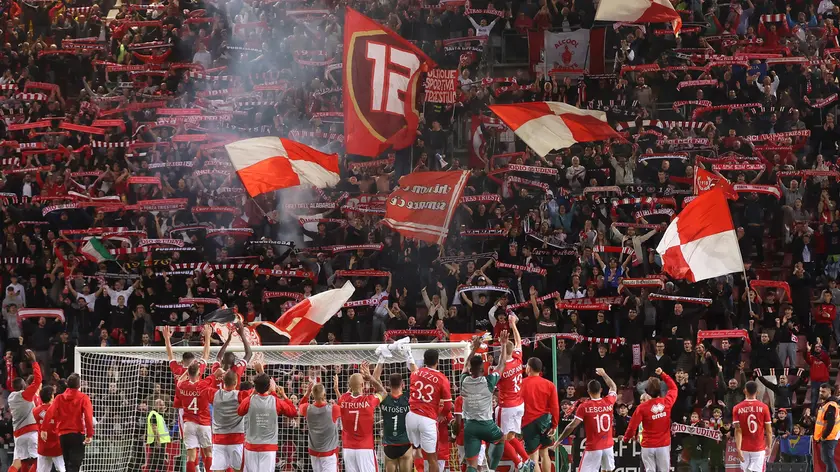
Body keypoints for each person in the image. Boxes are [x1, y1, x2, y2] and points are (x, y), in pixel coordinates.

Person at [236, 364, 298, 471]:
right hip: (268, 448)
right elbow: (293, 412)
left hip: (252, 446)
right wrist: (284, 395)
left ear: (255, 387)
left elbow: (240, 411)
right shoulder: (276, 401)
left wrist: (253, 393)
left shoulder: (250, 400)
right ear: (269, 386)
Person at [461, 333, 507, 472]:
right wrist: (503, 344)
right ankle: (492, 469)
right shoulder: (489, 382)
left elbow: (465, 364)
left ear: (470, 370)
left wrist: (474, 349)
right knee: (501, 439)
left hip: (469, 426)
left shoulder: (464, 380)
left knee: (472, 465)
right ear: (482, 369)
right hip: (486, 424)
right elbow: (502, 364)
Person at [557, 368, 618, 472]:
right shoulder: (609, 402)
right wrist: (604, 374)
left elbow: (572, 425)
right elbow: (613, 387)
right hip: (608, 446)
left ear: (588, 391)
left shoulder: (585, 406)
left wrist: (559, 440)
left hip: (593, 448)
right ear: (601, 390)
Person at [174, 336, 220, 472]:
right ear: (199, 372)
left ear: (188, 373)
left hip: (189, 424)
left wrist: (186, 373)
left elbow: (179, 383)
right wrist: (207, 337)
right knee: (208, 452)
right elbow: (209, 362)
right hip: (204, 423)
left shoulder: (182, 386)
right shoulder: (204, 384)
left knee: (191, 455)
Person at [622, 368, 678, 472]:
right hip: (663, 446)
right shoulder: (667, 402)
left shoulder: (642, 408)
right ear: (660, 390)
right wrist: (663, 374)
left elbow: (632, 427)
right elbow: (674, 388)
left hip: (648, 446)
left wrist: (626, 439)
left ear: (647, 392)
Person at [494, 316, 532, 470]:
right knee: (511, 436)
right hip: (519, 405)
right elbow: (518, 341)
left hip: (507, 406)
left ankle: (519, 464)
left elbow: (494, 378)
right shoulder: (518, 358)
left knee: (501, 438)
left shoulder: (502, 369)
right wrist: (513, 325)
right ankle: (526, 459)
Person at [406, 349, 453, 472]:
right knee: (432, 458)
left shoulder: (415, 373)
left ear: (424, 360)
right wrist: (442, 416)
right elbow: (448, 406)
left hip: (411, 416)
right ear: (438, 361)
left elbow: (413, 368)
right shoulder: (442, 378)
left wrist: (409, 355)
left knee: (415, 451)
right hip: (427, 418)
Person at [202, 363, 251, 472]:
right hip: (236, 439)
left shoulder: (214, 395)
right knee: (239, 469)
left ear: (223, 381)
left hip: (219, 439)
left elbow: (200, 386)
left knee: (218, 470)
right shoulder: (240, 396)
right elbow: (257, 391)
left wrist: (214, 375)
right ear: (236, 383)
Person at [338, 362, 386, 472]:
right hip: (365, 449)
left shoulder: (343, 400)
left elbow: (349, 391)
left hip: (348, 449)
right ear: (363, 385)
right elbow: (383, 392)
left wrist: (356, 381)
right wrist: (370, 378)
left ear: (349, 386)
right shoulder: (368, 401)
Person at [42, 373, 94, 472]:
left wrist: (44, 429)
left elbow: (49, 412)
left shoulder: (59, 398)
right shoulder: (83, 398)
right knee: (74, 466)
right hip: (77, 435)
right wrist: (89, 435)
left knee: (67, 465)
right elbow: (88, 417)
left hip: (63, 436)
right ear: (79, 385)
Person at [375, 356, 416, 472]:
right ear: (402, 384)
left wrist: (381, 358)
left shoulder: (384, 398)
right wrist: (409, 357)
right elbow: (417, 377)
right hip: (405, 443)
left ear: (388, 384)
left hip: (389, 445)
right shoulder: (407, 398)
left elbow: (375, 379)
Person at [520, 357, 560, 472]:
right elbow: (555, 407)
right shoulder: (550, 385)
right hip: (545, 422)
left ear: (529, 368)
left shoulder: (521, 384)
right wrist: (554, 425)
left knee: (533, 456)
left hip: (528, 422)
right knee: (544, 452)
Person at [8, 350, 42, 472]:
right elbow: (38, 380)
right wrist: (34, 362)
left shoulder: (11, 397)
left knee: (21, 462)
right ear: (23, 387)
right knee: (38, 461)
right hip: (30, 432)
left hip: (18, 434)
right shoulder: (26, 395)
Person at [300, 381, 341, 472]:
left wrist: (307, 393)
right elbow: (344, 405)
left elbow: (301, 404)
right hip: (329, 453)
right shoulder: (333, 409)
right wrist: (336, 390)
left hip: (314, 452)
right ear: (324, 394)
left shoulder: (307, 408)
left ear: (312, 395)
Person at [733, 381, 773, 472]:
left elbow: (738, 430)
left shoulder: (737, 408)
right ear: (757, 392)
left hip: (744, 447)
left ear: (744, 391)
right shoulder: (764, 407)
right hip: (758, 447)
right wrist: (769, 446)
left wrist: (738, 448)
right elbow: (769, 430)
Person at [34, 386, 63, 472]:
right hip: (57, 445)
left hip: (43, 445)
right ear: (51, 396)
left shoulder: (35, 411)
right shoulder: (58, 410)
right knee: (63, 469)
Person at [815, 383, 840, 472]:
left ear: (829, 391)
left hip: (829, 436)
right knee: (827, 459)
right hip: (828, 436)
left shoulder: (830, 405)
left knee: (828, 460)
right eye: (820, 391)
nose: (821, 393)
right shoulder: (826, 404)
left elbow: (831, 423)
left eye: (823, 391)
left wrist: (824, 436)